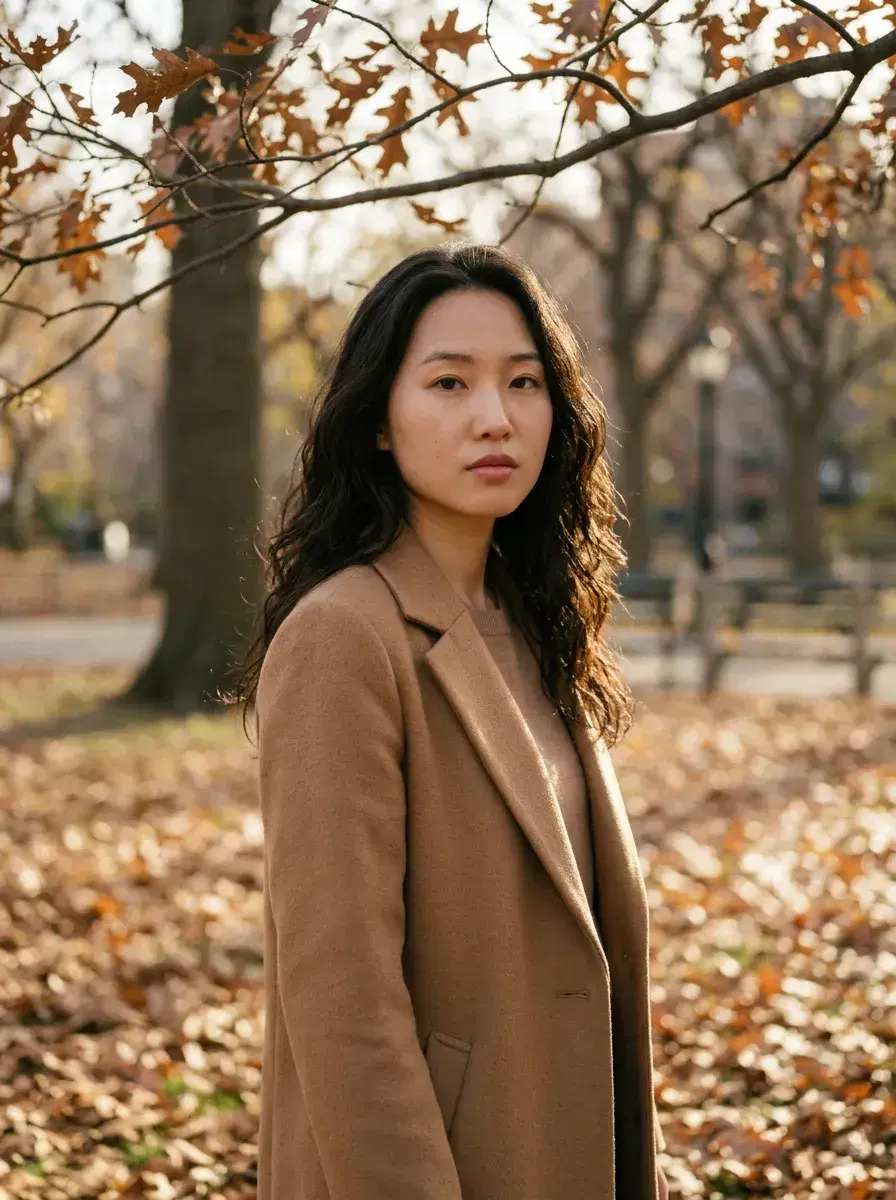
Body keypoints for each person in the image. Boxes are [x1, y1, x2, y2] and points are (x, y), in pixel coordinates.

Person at [237, 242, 670, 1200]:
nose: (495, 417)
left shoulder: (535, 621)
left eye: (524, 382)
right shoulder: (345, 636)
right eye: (448, 382)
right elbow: (342, 995)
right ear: (378, 421)